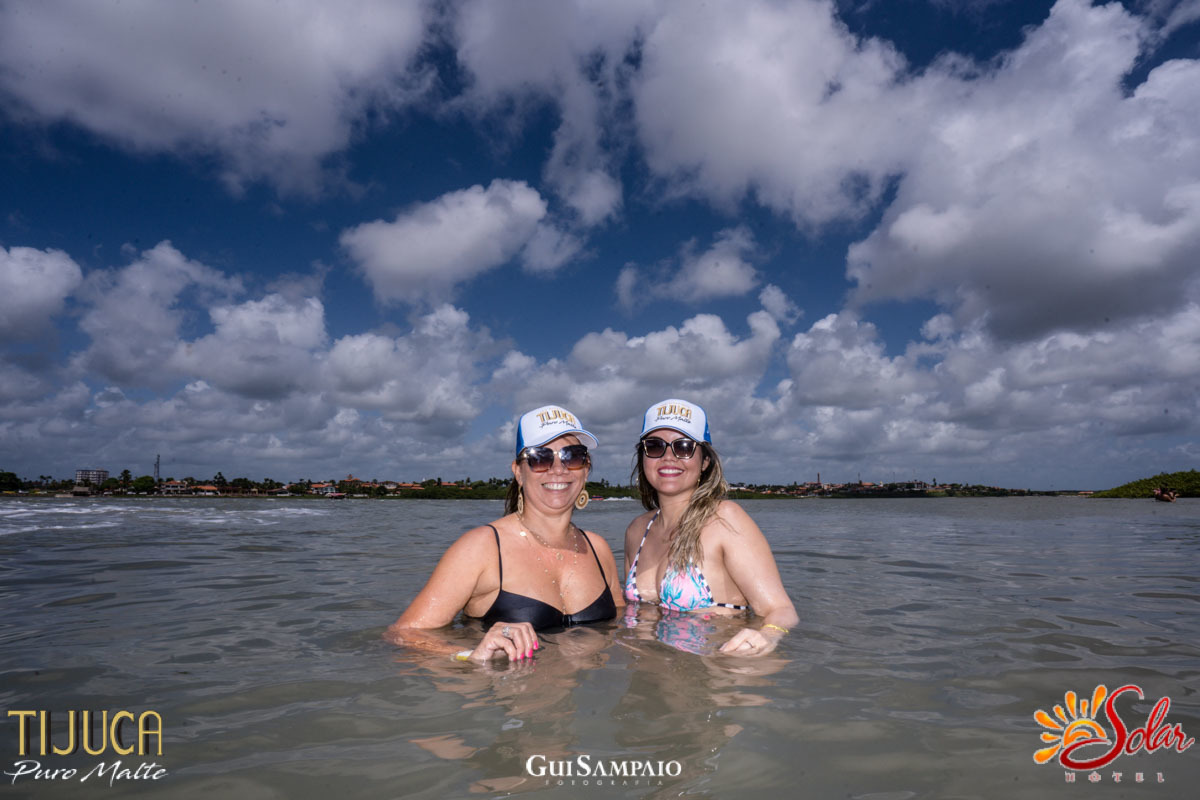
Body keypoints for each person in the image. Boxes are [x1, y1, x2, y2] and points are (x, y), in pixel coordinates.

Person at [385, 405, 622, 662]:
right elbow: (402, 636)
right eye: (540, 457)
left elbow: (625, 628)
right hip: (505, 688)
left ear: (585, 470)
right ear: (519, 472)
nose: (558, 469)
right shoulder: (481, 548)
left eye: (573, 456)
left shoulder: (598, 548)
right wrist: (469, 656)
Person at [623, 399, 798, 656]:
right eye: (655, 446)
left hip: (716, 668)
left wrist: (769, 635)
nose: (668, 457)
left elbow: (782, 611)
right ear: (643, 457)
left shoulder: (724, 519)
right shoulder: (637, 530)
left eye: (684, 447)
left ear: (705, 461)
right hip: (649, 669)